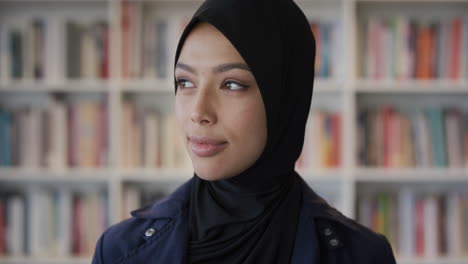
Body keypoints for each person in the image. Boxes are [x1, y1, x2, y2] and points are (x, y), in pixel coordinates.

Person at [92, 0, 397, 263]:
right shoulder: (118, 250)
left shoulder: (363, 256)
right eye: (185, 82)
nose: (199, 113)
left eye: (232, 84)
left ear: (285, 99)